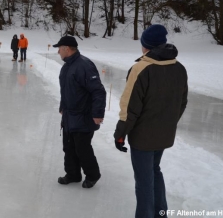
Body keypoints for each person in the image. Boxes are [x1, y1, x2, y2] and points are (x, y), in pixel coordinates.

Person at [113, 24, 188, 218]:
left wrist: (120, 133)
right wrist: (168, 123)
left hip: (143, 138)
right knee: (155, 171)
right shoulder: (179, 68)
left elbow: (130, 108)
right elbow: (181, 103)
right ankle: (160, 214)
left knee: (144, 181)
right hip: (164, 134)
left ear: (146, 45)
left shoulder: (141, 68)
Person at [53, 36, 106, 189]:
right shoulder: (67, 66)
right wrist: (63, 107)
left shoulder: (84, 65)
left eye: (59, 48)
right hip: (70, 115)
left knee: (82, 148)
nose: (58, 51)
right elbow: (66, 90)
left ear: (67, 49)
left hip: (83, 115)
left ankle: (93, 175)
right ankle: (73, 174)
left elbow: (98, 91)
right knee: (68, 147)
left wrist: (97, 114)